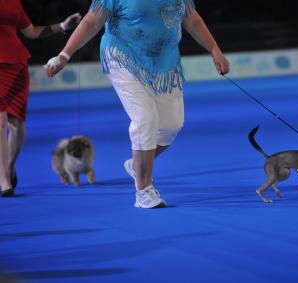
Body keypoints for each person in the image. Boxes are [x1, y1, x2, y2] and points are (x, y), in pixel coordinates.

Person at [45, 0, 229, 208]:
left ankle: (137, 164)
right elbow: (91, 22)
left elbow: (192, 19)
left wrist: (214, 49)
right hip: (123, 58)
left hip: (164, 65)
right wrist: (64, 55)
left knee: (171, 126)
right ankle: (143, 190)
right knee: (145, 119)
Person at [0, 0, 81, 197]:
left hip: (17, 65)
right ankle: (4, 181)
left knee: (17, 125)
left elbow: (32, 32)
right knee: (1, 120)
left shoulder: (13, 2)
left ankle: (9, 167)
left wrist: (63, 26)